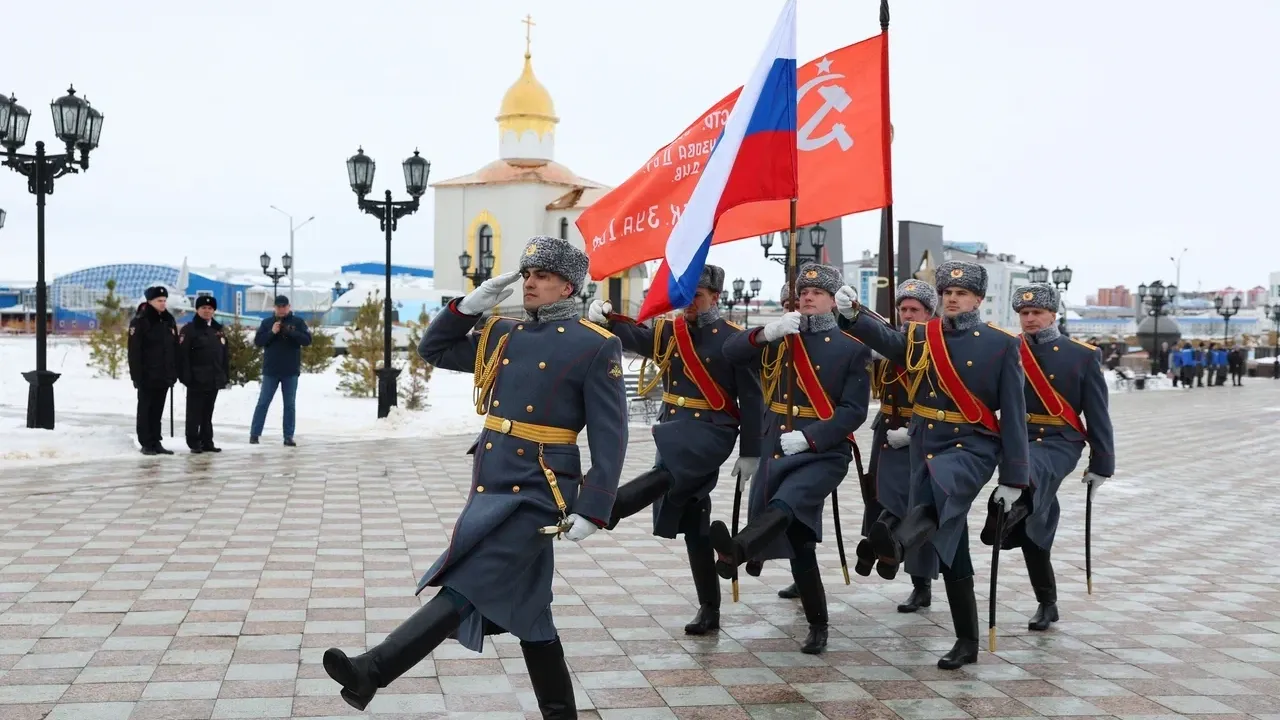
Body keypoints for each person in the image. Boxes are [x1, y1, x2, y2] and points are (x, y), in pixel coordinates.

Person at [322, 235, 627, 718]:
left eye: (542, 276)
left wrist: (594, 507)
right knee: (532, 613)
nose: (529, 283)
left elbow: (611, 437)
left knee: (470, 581)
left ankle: (372, 670)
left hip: (541, 491)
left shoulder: (595, 345)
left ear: (568, 287)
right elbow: (434, 349)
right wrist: (469, 305)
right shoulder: (504, 333)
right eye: (527, 274)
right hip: (493, 480)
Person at [838, 260, 1029, 670]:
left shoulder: (1001, 344)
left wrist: (1014, 478)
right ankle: (967, 641)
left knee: (944, 490)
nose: (953, 299)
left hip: (972, 446)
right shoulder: (923, 336)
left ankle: (894, 544)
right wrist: (853, 315)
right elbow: (889, 342)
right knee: (950, 538)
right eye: (947, 294)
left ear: (978, 298)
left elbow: (1014, 413)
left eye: (962, 294)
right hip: (925, 442)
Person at [585, 264, 763, 636]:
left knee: (670, 476)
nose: (689, 304)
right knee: (694, 522)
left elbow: (750, 398)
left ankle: (610, 505)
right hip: (674, 428)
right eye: (684, 296)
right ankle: (709, 609)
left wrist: (751, 451)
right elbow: (637, 339)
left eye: (697, 296)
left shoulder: (733, 339)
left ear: (715, 296)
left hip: (712, 432)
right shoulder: (671, 331)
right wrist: (608, 320)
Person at [709, 263, 871, 655]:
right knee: (800, 540)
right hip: (777, 447)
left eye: (817, 293)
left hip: (824, 453)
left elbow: (853, 411)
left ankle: (740, 548)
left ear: (834, 301)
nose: (808, 297)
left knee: (789, 503)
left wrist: (812, 437)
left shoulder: (852, 347)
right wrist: (766, 332)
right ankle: (818, 624)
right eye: (803, 292)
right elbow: (730, 353)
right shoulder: (782, 338)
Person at [981, 283, 1113, 633]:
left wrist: (1101, 464)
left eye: (1037, 312)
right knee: (1037, 522)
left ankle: (1010, 508)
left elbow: (1098, 413)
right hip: (1017, 436)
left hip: (1059, 440)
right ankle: (1047, 601)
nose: (1030, 319)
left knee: (1030, 470)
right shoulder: (1008, 350)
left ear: (1053, 314)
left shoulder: (1082, 355)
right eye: (1024, 314)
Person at [857, 279, 941, 613]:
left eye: (914, 310)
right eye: (903, 309)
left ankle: (921, 585)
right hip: (887, 431)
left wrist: (915, 431)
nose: (907, 316)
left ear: (928, 313)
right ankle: (883, 550)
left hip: (919, 435)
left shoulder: (937, 345)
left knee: (914, 510)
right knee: (881, 498)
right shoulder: (892, 341)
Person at [250, 295, 311, 446]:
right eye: (279, 307)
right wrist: (272, 332)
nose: (281, 309)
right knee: (263, 402)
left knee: (289, 405)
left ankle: (288, 436)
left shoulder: (298, 322)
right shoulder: (267, 323)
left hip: (290, 371)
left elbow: (307, 340)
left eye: (284, 306)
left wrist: (290, 332)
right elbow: (258, 341)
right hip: (271, 370)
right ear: (274, 308)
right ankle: (255, 434)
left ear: (289, 307)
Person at [128, 286, 179, 455]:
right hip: (147, 374)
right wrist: (136, 375)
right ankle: (146, 442)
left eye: (164, 300)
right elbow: (134, 351)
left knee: (158, 409)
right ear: (150, 301)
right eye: (159, 301)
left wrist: (173, 371)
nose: (163, 304)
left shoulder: (168, 320)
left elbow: (174, 348)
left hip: (164, 374)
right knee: (146, 409)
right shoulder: (141, 320)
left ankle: (156, 440)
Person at [178, 296, 230, 453]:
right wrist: (185, 376)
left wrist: (224, 375)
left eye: (210, 308)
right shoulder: (190, 330)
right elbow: (183, 356)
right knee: (194, 412)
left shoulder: (217, 330)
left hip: (213, 378)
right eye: (203, 308)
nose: (207, 311)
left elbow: (224, 355)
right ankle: (193, 441)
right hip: (196, 377)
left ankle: (207, 440)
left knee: (208, 412)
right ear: (197, 310)